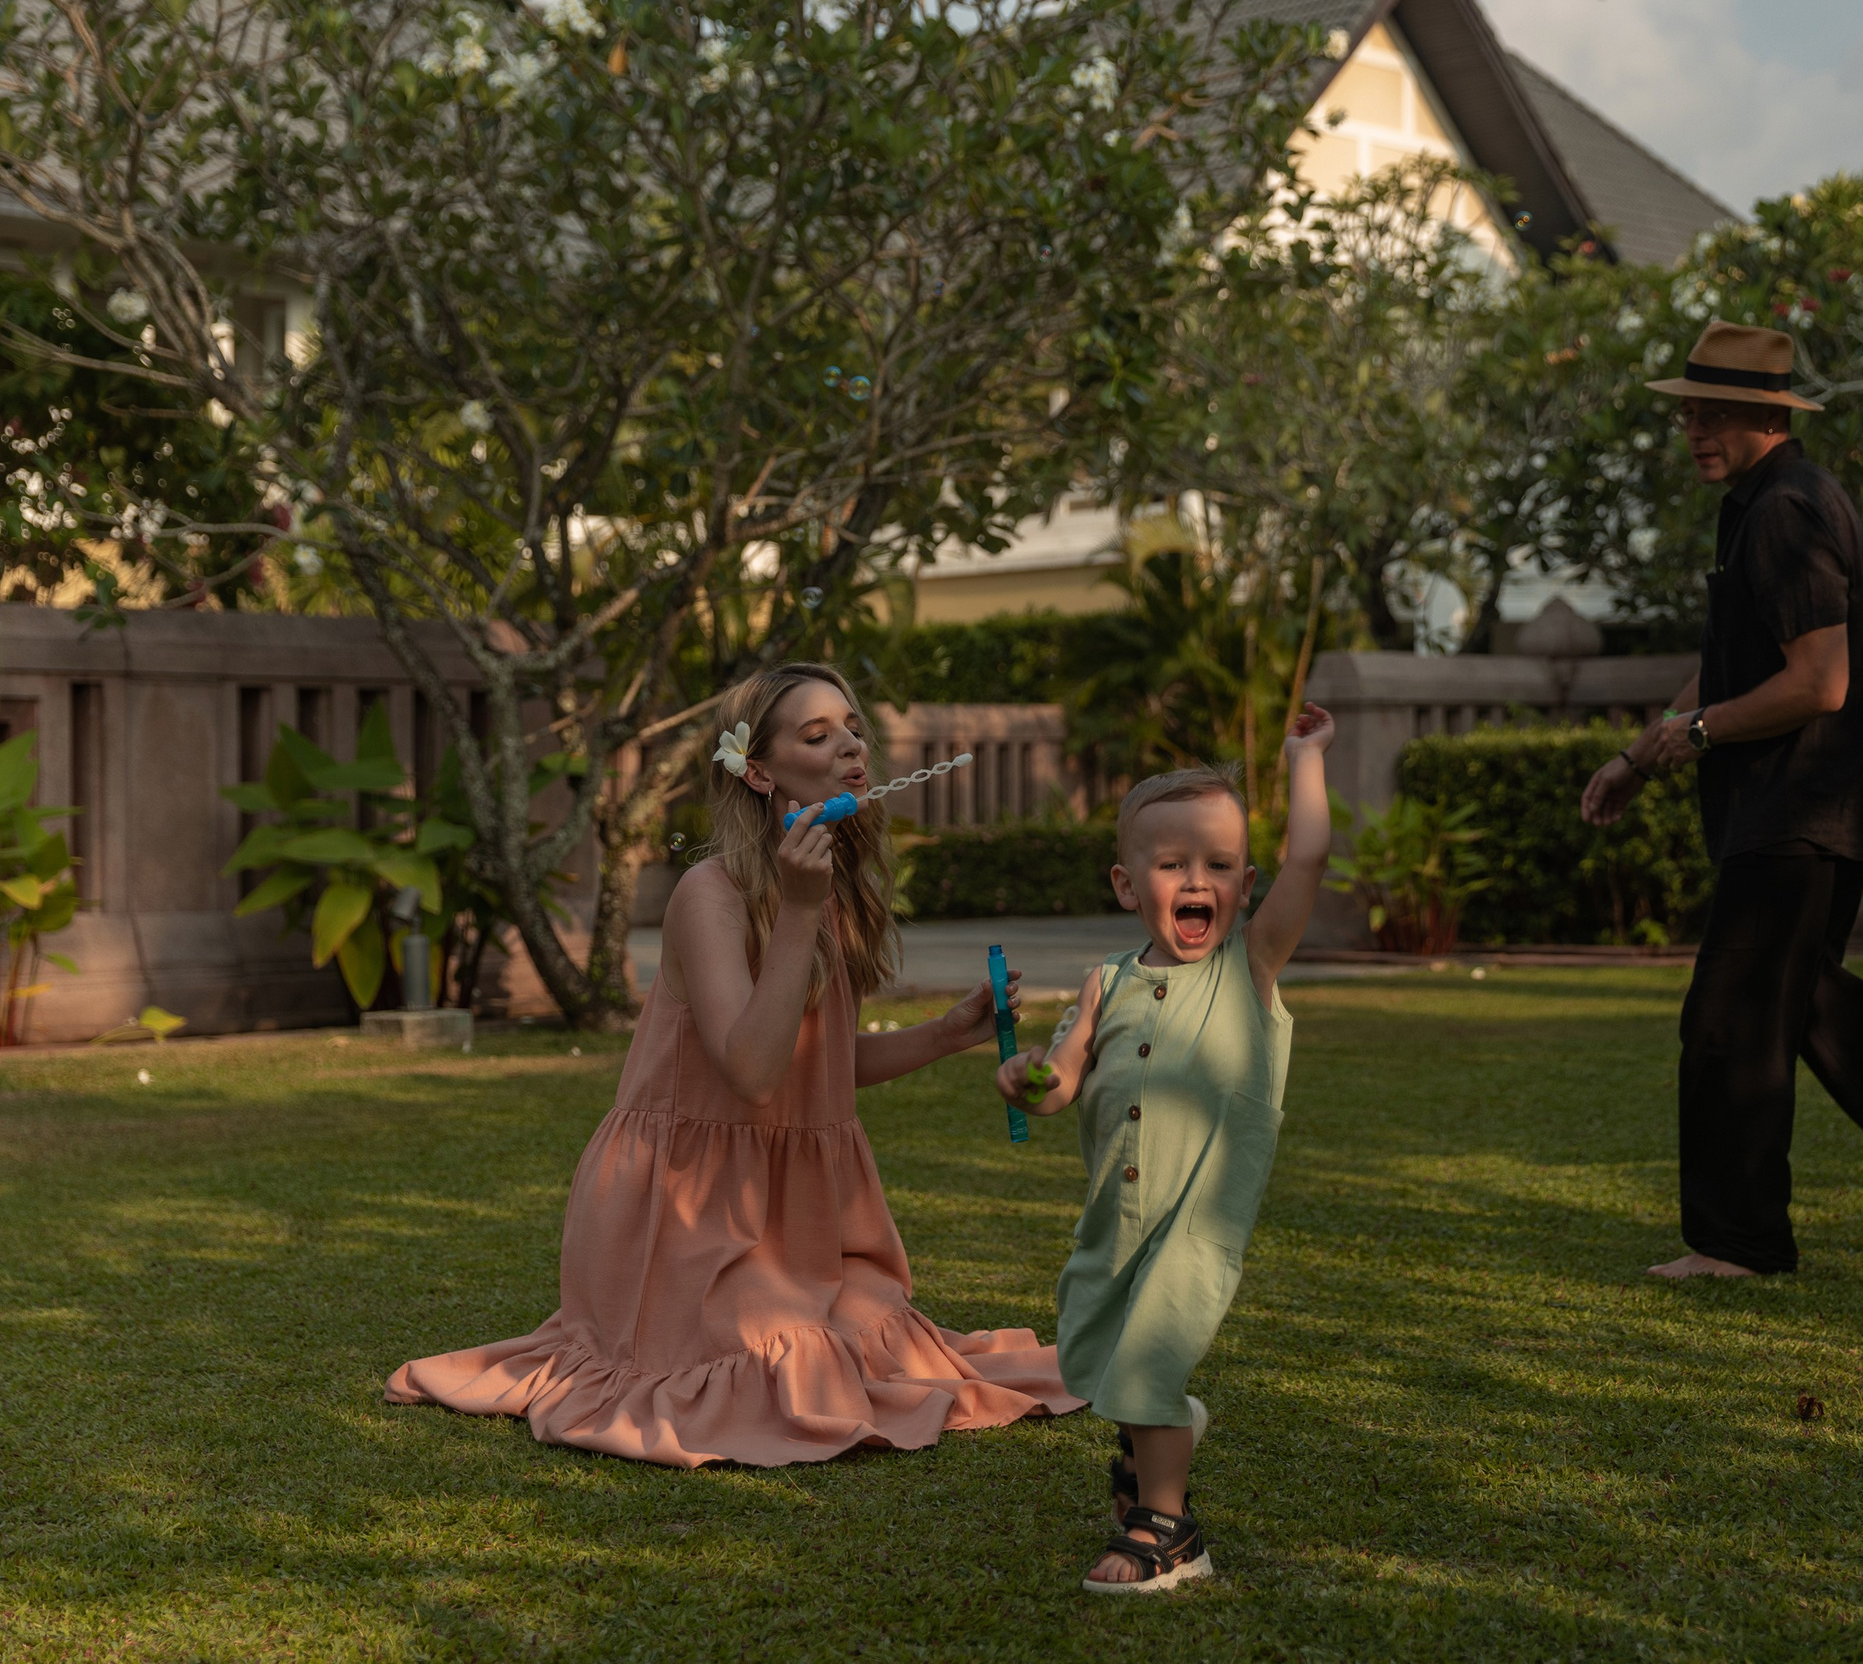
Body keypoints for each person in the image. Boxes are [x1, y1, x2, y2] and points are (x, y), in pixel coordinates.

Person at [385, 662, 1082, 1465]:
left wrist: (948, 1031)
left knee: (875, 1341)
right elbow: (752, 1071)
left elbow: (812, 1065)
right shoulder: (709, 895)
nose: (851, 744)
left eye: (853, 726)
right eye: (817, 735)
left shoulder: (830, 893)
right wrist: (797, 909)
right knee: (790, 1369)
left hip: (801, 1211)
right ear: (757, 770)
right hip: (690, 1206)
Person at [1581, 321, 1863, 1280]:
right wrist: (1640, 751)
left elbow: (1818, 682)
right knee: (1810, 1003)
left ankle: (1738, 1243)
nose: (1695, 428)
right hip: (1807, 797)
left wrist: (1695, 738)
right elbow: (1735, 664)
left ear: (1767, 416)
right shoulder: (1761, 502)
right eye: (1689, 411)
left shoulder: (1786, 508)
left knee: (1731, 1017)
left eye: (1717, 412)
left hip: (1803, 797)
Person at [994, 705, 1334, 1594]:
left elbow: (1311, 858)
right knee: (1092, 1349)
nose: (1198, 879)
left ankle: (1170, 1531)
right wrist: (1033, 1078)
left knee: (1147, 1355)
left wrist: (1305, 757)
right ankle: (1155, 1433)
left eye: (1219, 865)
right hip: (1118, 1211)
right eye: (1173, 862)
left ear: (1245, 881)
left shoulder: (1251, 965)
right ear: (1125, 882)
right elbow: (1064, 1076)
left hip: (1198, 1218)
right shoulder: (1105, 980)